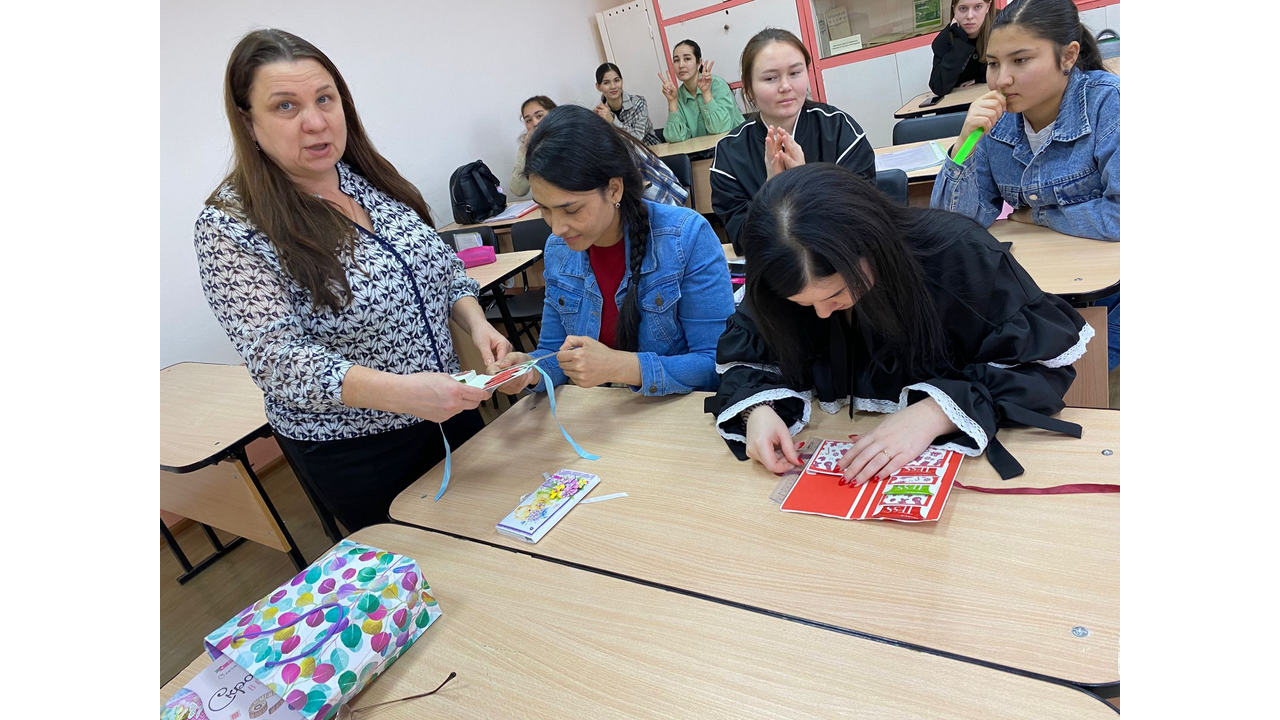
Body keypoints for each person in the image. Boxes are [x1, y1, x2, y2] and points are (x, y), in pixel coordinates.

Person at [195, 29, 510, 531]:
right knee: (426, 574)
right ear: (247, 122)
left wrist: (476, 323)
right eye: (285, 106)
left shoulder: (367, 179)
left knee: (495, 532)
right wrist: (405, 394)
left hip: (448, 405)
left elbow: (442, 268)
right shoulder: (231, 225)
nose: (316, 121)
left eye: (325, 98)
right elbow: (279, 361)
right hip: (359, 448)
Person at [707, 163, 1093, 482]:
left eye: (836, 296)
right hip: (839, 443)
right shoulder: (780, 282)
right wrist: (755, 412)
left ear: (873, 247)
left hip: (968, 475)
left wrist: (934, 413)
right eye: (803, 305)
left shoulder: (959, 255)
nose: (822, 314)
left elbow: (1038, 369)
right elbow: (746, 361)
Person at [489, 105, 734, 398]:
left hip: (672, 415)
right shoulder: (559, 250)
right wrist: (529, 370)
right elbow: (554, 354)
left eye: (571, 209)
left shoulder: (685, 237)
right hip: (603, 421)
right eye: (544, 209)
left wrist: (622, 367)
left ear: (614, 189)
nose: (556, 228)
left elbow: (716, 364)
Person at [710, 28, 875, 251]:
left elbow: (865, 217)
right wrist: (771, 188)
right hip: (775, 270)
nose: (785, 86)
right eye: (770, 78)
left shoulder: (839, 129)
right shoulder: (729, 154)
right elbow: (742, 239)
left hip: (841, 259)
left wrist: (804, 185)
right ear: (748, 89)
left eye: (795, 73)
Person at [656, 39, 745, 142]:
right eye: (676, 60)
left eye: (687, 59)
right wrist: (672, 102)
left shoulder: (717, 85)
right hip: (703, 154)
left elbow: (720, 128)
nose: (681, 65)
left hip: (736, 145)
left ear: (699, 63)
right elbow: (675, 138)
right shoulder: (678, 95)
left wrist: (706, 92)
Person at [929, 0, 993, 97]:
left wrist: (981, 79)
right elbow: (939, 87)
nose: (970, 16)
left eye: (978, 7)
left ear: (988, 6)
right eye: (963, 9)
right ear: (954, 8)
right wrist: (961, 41)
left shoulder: (1002, 27)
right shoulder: (944, 39)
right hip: (960, 105)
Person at [594, 62, 660, 145]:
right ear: (598, 87)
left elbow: (638, 138)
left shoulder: (638, 103)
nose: (613, 86)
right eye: (606, 83)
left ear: (622, 81)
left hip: (649, 150)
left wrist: (612, 120)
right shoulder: (599, 113)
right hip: (622, 155)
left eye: (617, 80)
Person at [509, 95, 556, 197]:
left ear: (554, 114)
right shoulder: (529, 147)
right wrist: (525, 149)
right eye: (528, 120)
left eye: (539, 116)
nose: (535, 123)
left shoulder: (570, 137)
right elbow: (519, 190)